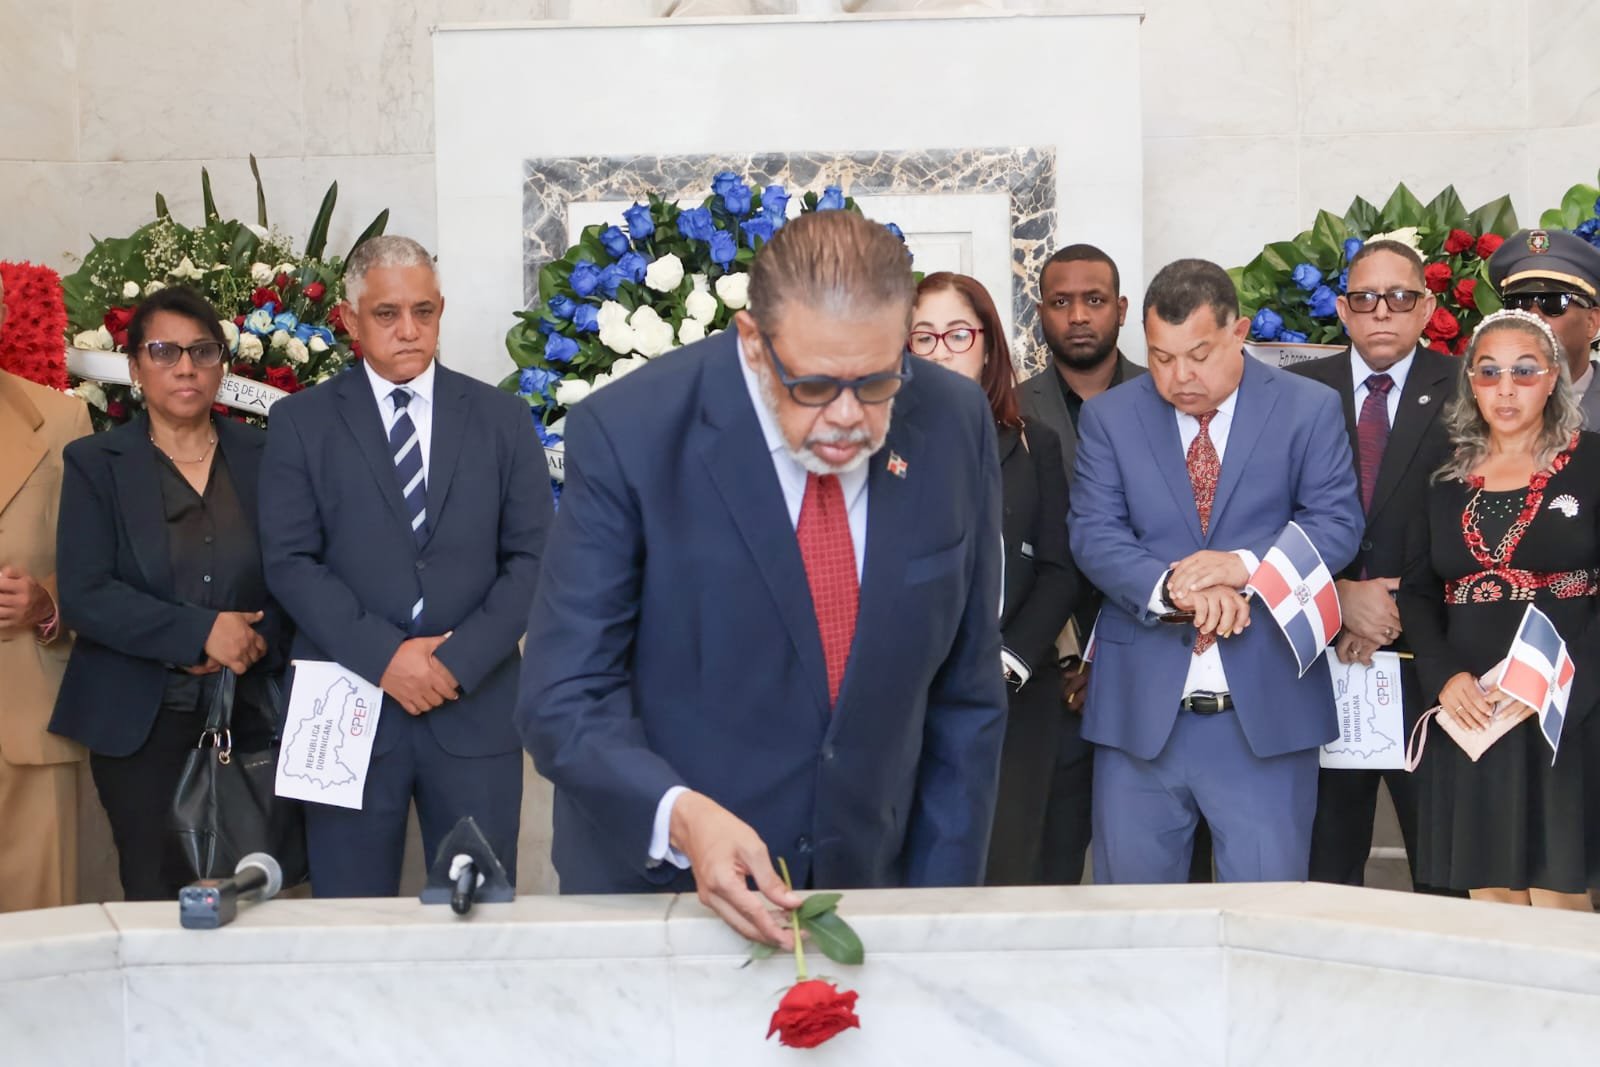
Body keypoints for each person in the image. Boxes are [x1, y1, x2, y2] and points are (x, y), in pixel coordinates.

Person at [519, 210, 1007, 946]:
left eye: (878, 382)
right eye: (814, 385)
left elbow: (965, 696)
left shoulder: (953, 420)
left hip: (872, 896)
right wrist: (679, 814)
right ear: (753, 341)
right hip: (668, 903)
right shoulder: (632, 432)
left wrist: (936, 917)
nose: (848, 417)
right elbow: (563, 696)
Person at [259, 236, 552, 897]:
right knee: (349, 918)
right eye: (387, 313)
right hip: (345, 709)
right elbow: (290, 561)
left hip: (473, 707)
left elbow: (535, 557)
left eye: (424, 311)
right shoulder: (301, 422)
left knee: (478, 912)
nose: (409, 330)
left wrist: (454, 662)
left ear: (441, 310)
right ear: (350, 319)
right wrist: (386, 658)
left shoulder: (503, 419)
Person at [1068, 258, 1363, 884]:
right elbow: (1094, 534)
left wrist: (1243, 567)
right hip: (1139, 717)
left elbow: (1337, 523)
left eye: (1198, 355)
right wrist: (1171, 589)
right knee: (1134, 921)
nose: (1180, 376)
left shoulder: (1308, 408)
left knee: (1264, 917)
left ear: (1240, 332)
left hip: (1266, 713)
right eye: (1161, 357)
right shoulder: (1110, 418)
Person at [49, 286, 289, 901]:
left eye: (202, 351)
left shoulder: (268, 455)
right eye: (164, 351)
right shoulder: (96, 463)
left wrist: (253, 638)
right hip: (140, 723)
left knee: (256, 900)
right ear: (135, 368)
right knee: (157, 900)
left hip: (254, 718)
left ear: (221, 366)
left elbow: (300, 573)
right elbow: (85, 593)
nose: (185, 367)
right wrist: (200, 633)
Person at [1398, 309, 1598, 910]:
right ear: (1471, 382)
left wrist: (1562, 686)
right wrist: (1444, 677)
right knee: (1490, 904)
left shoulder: (1593, 462)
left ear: (1553, 377)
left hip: (1563, 709)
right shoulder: (1443, 478)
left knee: (1559, 899)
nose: (1506, 389)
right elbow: (1418, 592)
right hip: (1475, 709)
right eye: (1489, 372)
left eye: (1524, 371)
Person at [1289, 239, 1459, 893]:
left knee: (1445, 874)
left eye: (1400, 297)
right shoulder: (1296, 392)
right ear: (1342, 310)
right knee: (1324, 871)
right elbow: (1264, 513)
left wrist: (1395, 604)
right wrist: (1337, 597)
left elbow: (1480, 513)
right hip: (1318, 662)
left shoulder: (1470, 389)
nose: (1382, 311)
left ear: (1427, 308)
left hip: (1433, 667)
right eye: (1364, 298)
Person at [909, 271, 1079, 885]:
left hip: (1012, 695)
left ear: (987, 346)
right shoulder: (879, 444)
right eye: (923, 337)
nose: (941, 352)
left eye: (958, 335)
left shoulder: (1035, 443)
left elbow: (1060, 570)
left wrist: (1007, 663)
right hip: (908, 698)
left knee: (1006, 870)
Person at [1014, 243, 1149, 885]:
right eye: (1060, 301)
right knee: (1045, 868)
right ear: (1040, 312)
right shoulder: (1010, 410)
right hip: (1047, 676)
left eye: (1093, 300)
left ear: (1120, 309)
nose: (1077, 316)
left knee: (1157, 874)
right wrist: (1068, 656)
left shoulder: (1169, 396)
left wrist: (1110, 660)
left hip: (1151, 668)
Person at [0, 271, 93, 911]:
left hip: (26, 722)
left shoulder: (61, 419)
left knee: (41, 941)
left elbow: (100, 564)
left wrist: (46, 603)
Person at [1487, 229, 1600, 427]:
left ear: (1592, 322)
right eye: (1518, 303)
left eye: (1553, 302)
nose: (1533, 316)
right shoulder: (1483, 406)